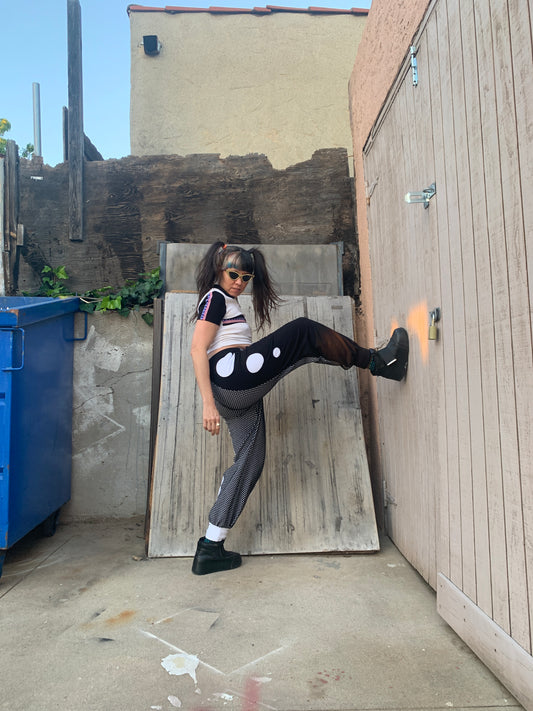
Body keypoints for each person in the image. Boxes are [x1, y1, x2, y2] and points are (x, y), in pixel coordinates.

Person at [189, 241, 408, 575]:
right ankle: (378, 362)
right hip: (231, 378)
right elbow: (197, 348)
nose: (239, 283)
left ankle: (210, 547)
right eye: (233, 274)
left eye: (246, 278)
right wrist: (208, 404)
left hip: (235, 394)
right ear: (219, 269)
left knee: (250, 461)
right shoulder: (215, 298)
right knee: (303, 331)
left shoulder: (227, 301)